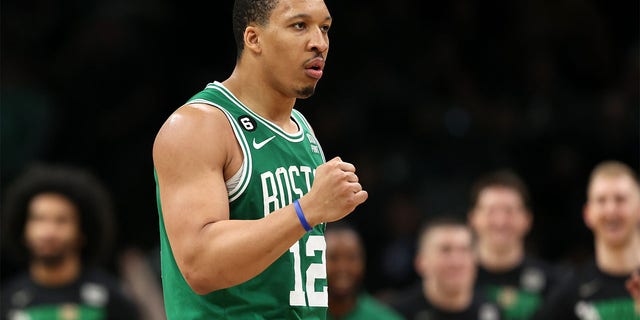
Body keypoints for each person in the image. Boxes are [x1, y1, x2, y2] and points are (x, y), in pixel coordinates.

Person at [151, 0, 368, 318]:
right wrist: (307, 210)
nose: (318, 42)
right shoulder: (199, 125)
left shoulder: (301, 129)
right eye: (299, 25)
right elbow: (200, 265)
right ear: (253, 39)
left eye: (324, 28)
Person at [0, 163, 141, 320]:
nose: (48, 232)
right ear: (23, 229)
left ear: (82, 231)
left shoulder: (112, 299)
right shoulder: (8, 300)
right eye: (39, 219)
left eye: (61, 221)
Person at [534, 160, 640, 319]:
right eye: (601, 201)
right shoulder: (570, 292)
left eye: (620, 199)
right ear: (587, 214)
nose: (611, 210)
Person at [467, 169, 563, 320]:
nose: (501, 222)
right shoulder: (453, 282)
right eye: (491, 211)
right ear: (473, 219)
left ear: (527, 219)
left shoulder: (555, 284)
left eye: (509, 211)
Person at [389, 215, 502, 320]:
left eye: (464, 250)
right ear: (421, 263)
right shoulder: (393, 314)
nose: (456, 262)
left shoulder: (493, 311)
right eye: (445, 250)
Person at [325, 221, 403, 320]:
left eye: (351, 258)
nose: (343, 268)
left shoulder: (385, 317)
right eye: (333, 258)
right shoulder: (302, 315)